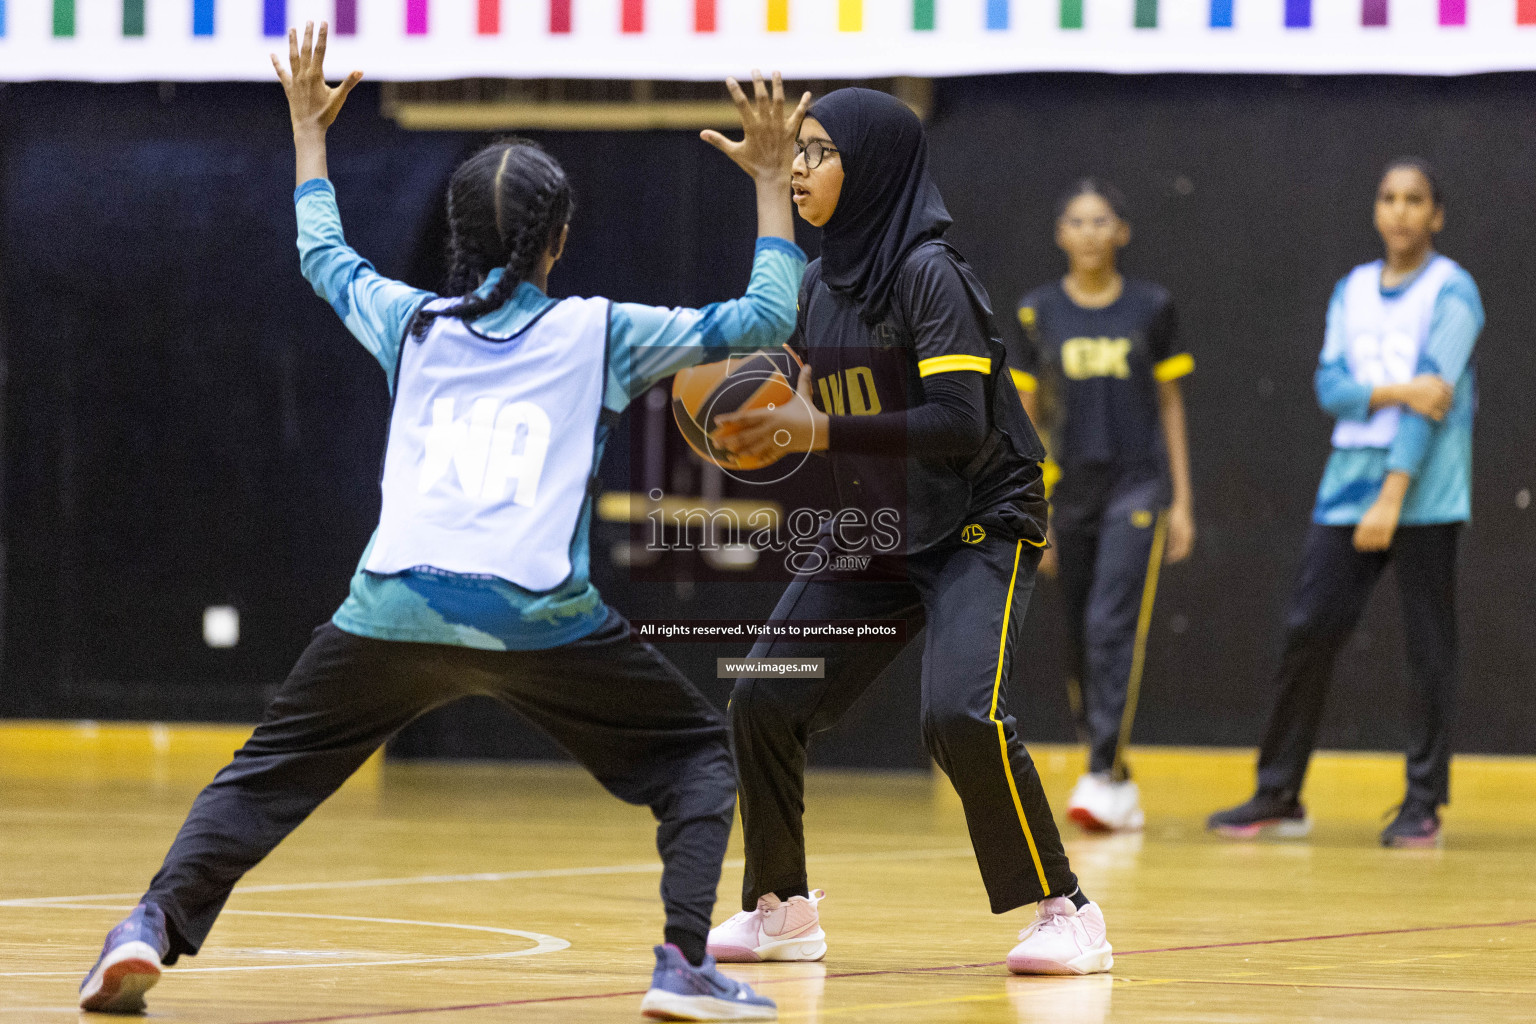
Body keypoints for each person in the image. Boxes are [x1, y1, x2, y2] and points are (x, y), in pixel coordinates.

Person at [78, 24, 809, 1020]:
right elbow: (768, 313)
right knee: (697, 757)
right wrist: (771, 181)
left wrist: (308, 132)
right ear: (558, 241)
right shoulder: (603, 330)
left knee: (259, 780)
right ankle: (682, 962)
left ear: (461, 238)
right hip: (537, 617)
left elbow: (321, 251)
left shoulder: (410, 322)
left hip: (391, 607)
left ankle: (147, 927)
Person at [704, 88, 1114, 977]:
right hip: (886, 520)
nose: (804, 167)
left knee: (959, 715)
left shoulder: (931, 272)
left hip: (980, 515)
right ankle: (781, 908)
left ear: (876, 167)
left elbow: (960, 423)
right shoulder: (819, 283)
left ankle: (1067, 911)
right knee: (763, 695)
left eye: (819, 152)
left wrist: (820, 431)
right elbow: (826, 409)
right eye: (798, 154)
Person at [1207, 158, 1482, 849]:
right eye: (1388, 197)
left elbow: (1435, 401)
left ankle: (1423, 802)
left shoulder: (1455, 291)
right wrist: (1394, 392)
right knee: (1309, 631)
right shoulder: (1352, 290)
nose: (1400, 211)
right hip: (1345, 487)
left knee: (1427, 648)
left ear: (1435, 215)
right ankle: (1279, 793)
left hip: (1421, 493)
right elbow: (1331, 388)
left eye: (1415, 199)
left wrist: (1393, 494)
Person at [1012, 180, 1195, 833]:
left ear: (1121, 232)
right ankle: (1113, 774)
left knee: (1111, 625)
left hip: (1137, 488)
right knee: (1076, 635)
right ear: (1061, 234)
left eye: (1102, 221)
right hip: (1067, 493)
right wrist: (1031, 508)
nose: (1089, 231)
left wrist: (1181, 501)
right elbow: (1025, 418)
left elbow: (1171, 405)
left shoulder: (1152, 307)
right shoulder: (1038, 312)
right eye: (1077, 220)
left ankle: (1098, 768)